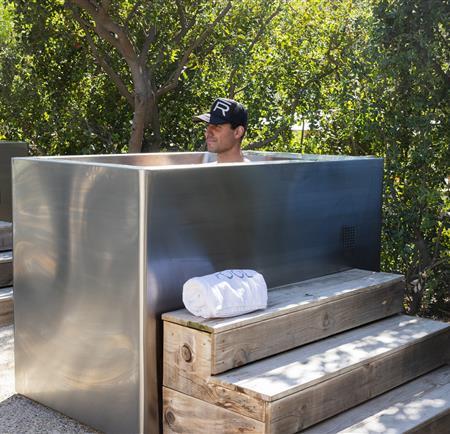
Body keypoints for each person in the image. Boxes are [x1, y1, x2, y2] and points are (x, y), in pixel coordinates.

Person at [193, 98, 249, 163]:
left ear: (238, 132)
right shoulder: (202, 172)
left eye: (217, 126)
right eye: (208, 125)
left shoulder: (256, 172)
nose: (207, 133)